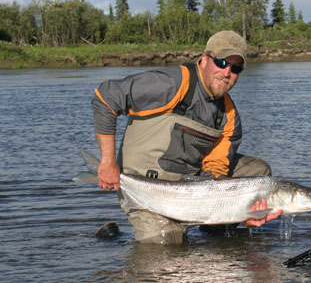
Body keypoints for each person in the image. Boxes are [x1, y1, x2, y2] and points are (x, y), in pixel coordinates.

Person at [91, 30, 282, 244]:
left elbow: (217, 171)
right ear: (204, 59)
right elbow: (105, 98)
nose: (227, 73)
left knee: (259, 174)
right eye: (221, 62)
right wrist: (107, 162)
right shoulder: (172, 83)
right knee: (167, 248)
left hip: (190, 187)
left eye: (235, 68)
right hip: (143, 186)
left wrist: (242, 212)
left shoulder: (229, 116)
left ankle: (216, 233)